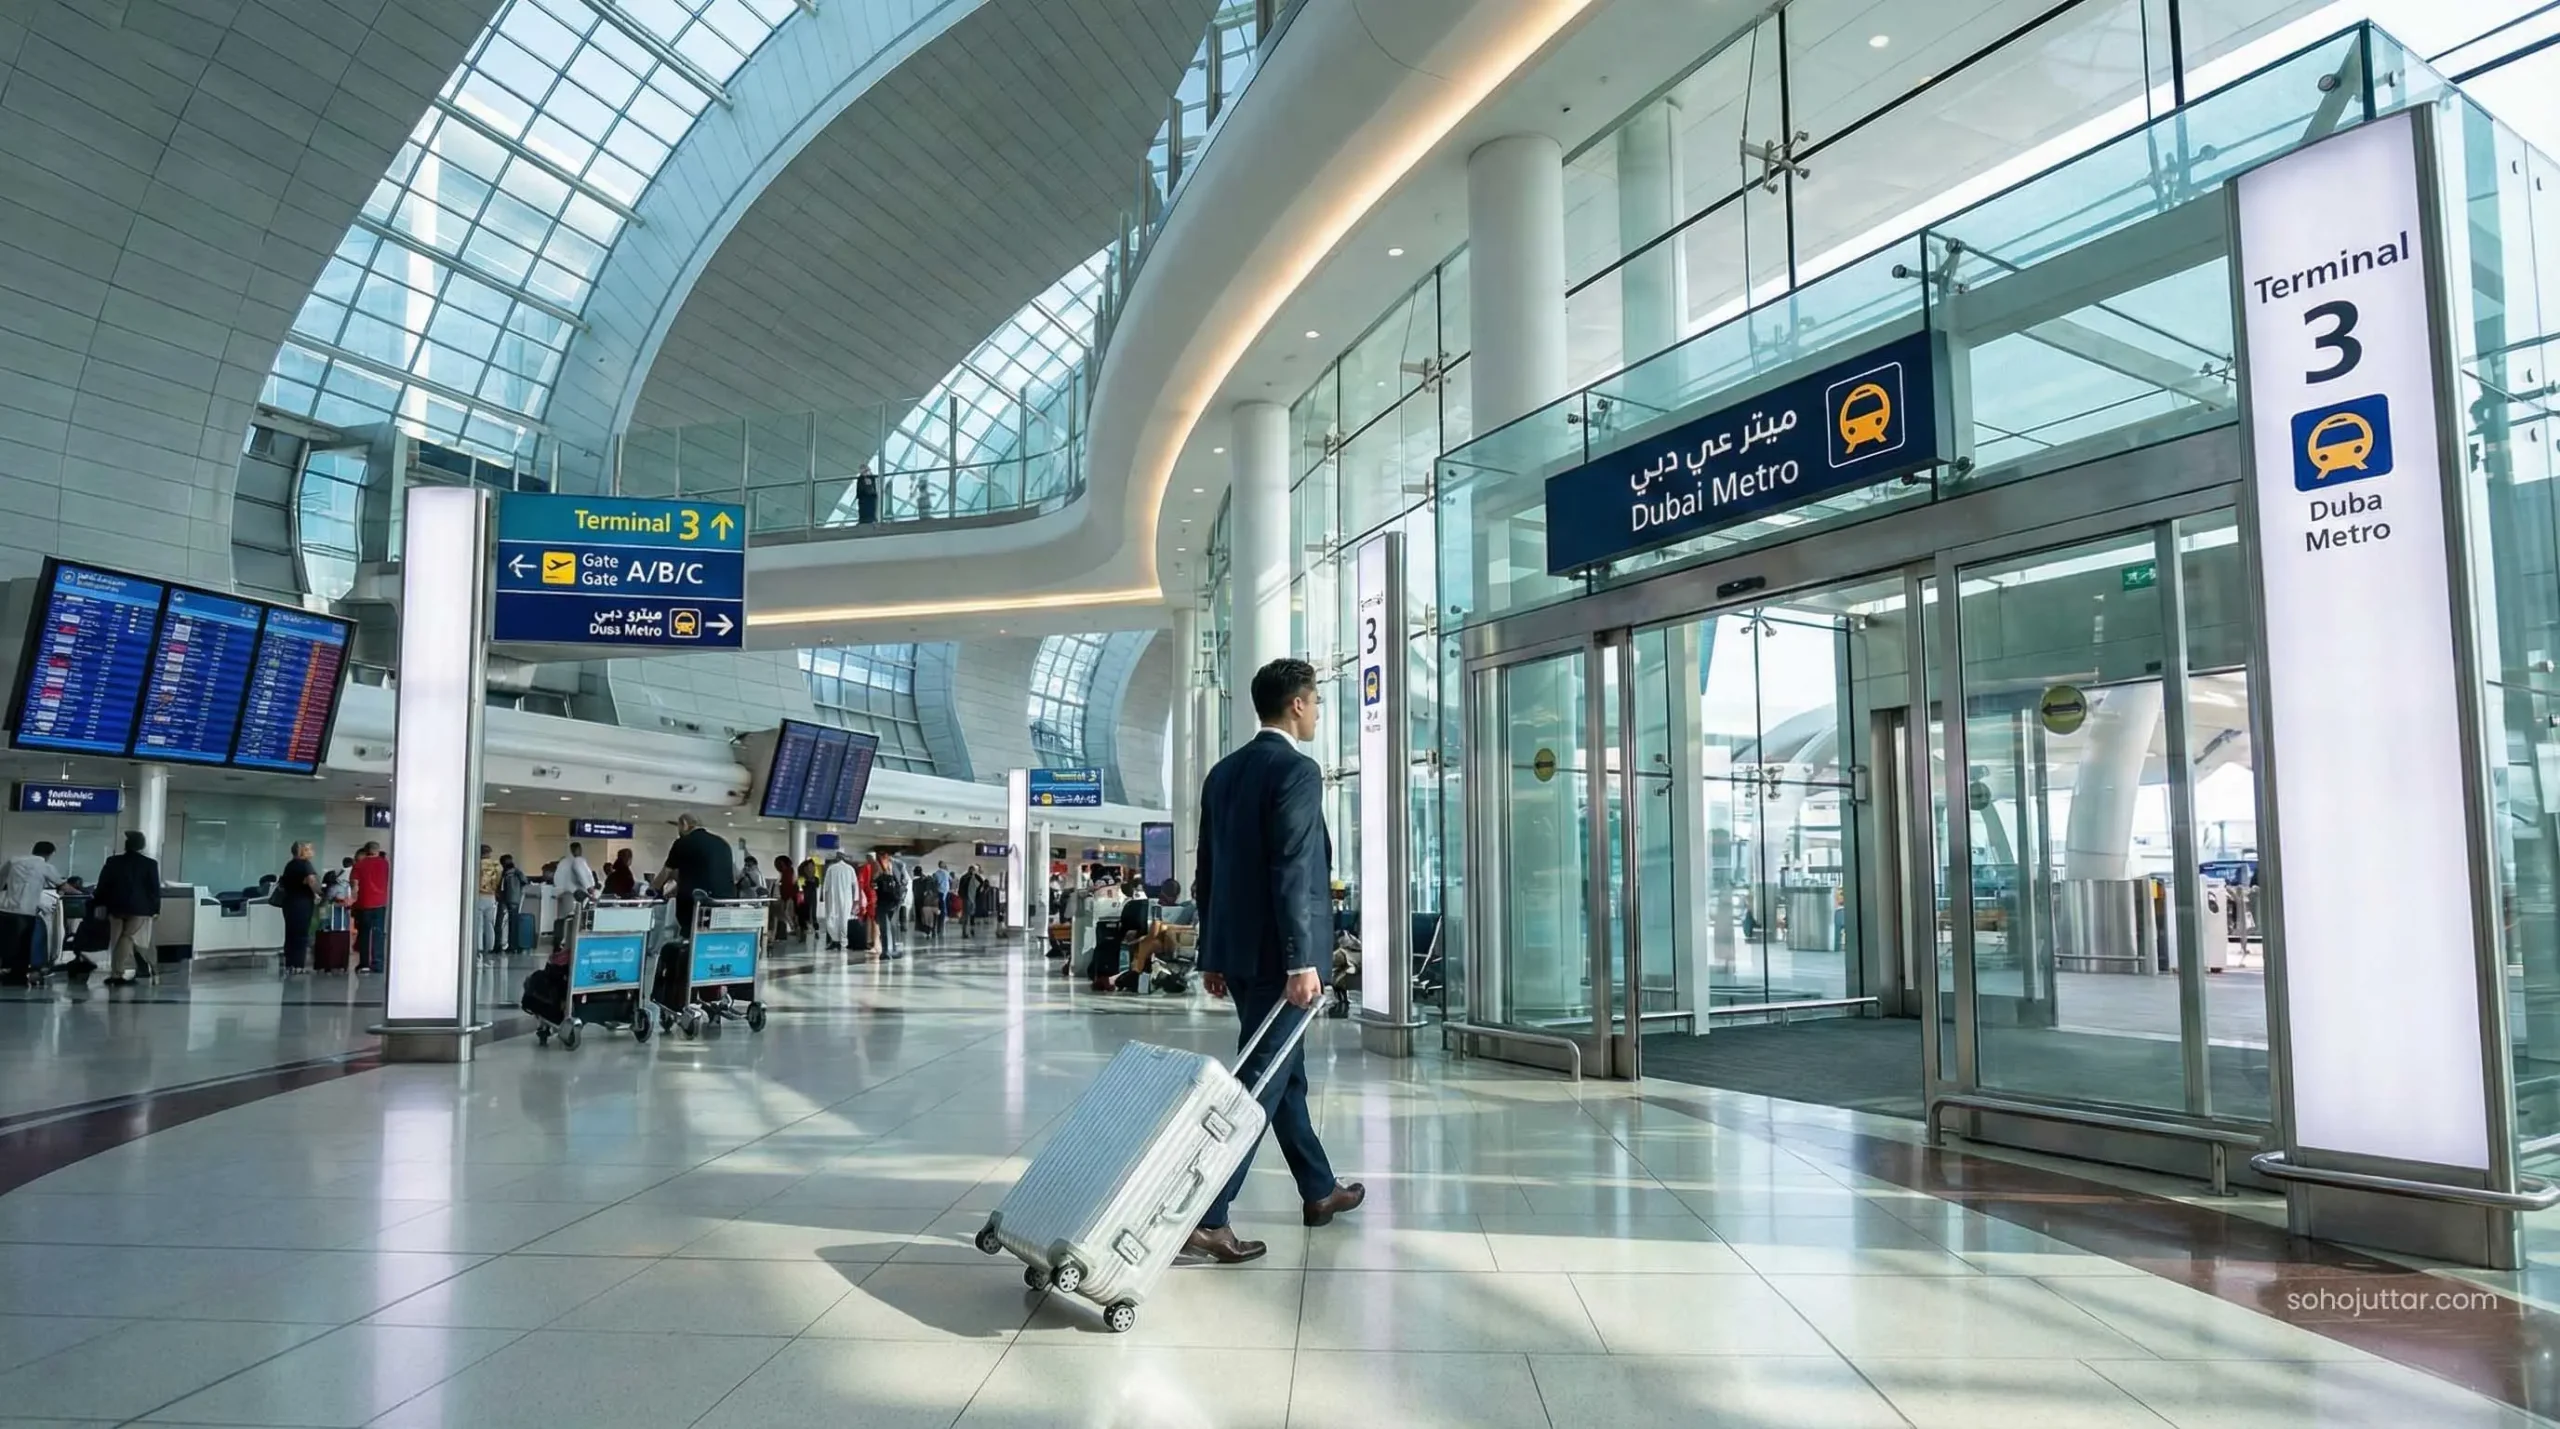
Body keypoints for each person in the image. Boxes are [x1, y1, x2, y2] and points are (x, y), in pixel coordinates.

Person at [1186, 658, 1364, 1264]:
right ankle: (1210, 1217)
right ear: (1296, 706)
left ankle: (1319, 1190)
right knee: (1261, 1080)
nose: (1317, 712)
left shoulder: (1223, 774)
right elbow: (1292, 867)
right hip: (1282, 959)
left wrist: (1211, 950)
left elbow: (1208, 870)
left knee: (1285, 1075)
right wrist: (1300, 961)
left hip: (1237, 953)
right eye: (1315, 702)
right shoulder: (1297, 770)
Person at [93, 831, 160, 986]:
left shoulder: (113, 861)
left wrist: (99, 903)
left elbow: (103, 884)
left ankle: (116, 973)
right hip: (139, 908)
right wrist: (156, 909)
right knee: (127, 936)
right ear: (142, 846)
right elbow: (154, 889)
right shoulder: (150, 863)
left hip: (116, 906)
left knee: (117, 938)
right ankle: (118, 974)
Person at [655, 814, 736, 931]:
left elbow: (666, 873)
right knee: (715, 936)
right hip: (724, 904)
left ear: (684, 824)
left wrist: (652, 891)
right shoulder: (722, 843)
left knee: (691, 934)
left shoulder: (682, 843)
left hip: (694, 906)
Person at [0, 841, 60, 984]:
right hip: (26, 911)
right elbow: (61, 884)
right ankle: (18, 974)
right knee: (24, 944)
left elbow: (1, 878)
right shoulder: (45, 866)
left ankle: (8, 970)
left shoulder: (13, 861)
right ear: (50, 854)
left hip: (5, 909)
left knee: (7, 943)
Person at [277, 840, 320, 974]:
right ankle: (298, 965)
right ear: (303, 851)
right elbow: (312, 881)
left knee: (291, 933)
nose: (312, 852)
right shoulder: (305, 864)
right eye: (309, 849)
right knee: (301, 934)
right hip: (302, 903)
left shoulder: (290, 865)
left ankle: (290, 963)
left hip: (289, 902)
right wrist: (319, 893)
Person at [350, 842, 390, 973]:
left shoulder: (359, 865)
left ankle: (364, 964)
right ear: (378, 851)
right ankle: (378, 964)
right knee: (378, 933)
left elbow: (354, 886)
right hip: (380, 903)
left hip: (364, 904)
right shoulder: (385, 864)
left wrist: (353, 899)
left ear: (365, 851)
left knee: (364, 934)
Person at [554, 840, 597, 949]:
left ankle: (557, 942)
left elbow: (557, 878)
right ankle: (570, 943)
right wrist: (590, 889)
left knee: (561, 918)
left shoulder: (563, 861)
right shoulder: (578, 861)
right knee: (574, 918)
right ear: (577, 850)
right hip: (573, 893)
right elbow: (581, 874)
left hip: (561, 892)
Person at [818, 851, 858, 951]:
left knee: (832, 918)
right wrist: (855, 899)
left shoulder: (831, 868)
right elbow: (855, 885)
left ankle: (836, 940)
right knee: (844, 919)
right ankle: (842, 941)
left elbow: (826, 886)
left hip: (833, 897)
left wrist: (823, 897)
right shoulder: (850, 869)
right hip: (846, 898)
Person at [869, 852, 902, 960]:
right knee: (889, 928)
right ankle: (890, 950)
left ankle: (887, 951)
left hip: (886, 903)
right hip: (891, 903)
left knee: (886, 928)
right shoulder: (895, 870)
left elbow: (873, 885)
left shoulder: (882, 872)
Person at [495, 854, 527, 955]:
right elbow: (524, 882)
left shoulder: (505, 873)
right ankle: (513, 946)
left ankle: (498, 945)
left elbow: (499, 886)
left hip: (504, 899)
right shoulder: (517, 872)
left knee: (499, 923)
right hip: (514, 899)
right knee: (513, 924)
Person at [474, 844, 501, 956]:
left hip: (479, 895)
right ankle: (490, 947)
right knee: (490, 924)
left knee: (479, 923)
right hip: (491, 896)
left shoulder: (476, 864)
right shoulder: (496, 865)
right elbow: (498, 881)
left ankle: (479, 947)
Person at [769, 854, 797, 940]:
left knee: (782, 915)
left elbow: (787, 887)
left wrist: (785, 899)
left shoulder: (787, 873)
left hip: (784, 898)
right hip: (783, 898)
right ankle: (775, 935)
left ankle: (792, 928)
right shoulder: (787, 872)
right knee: (778, 917)